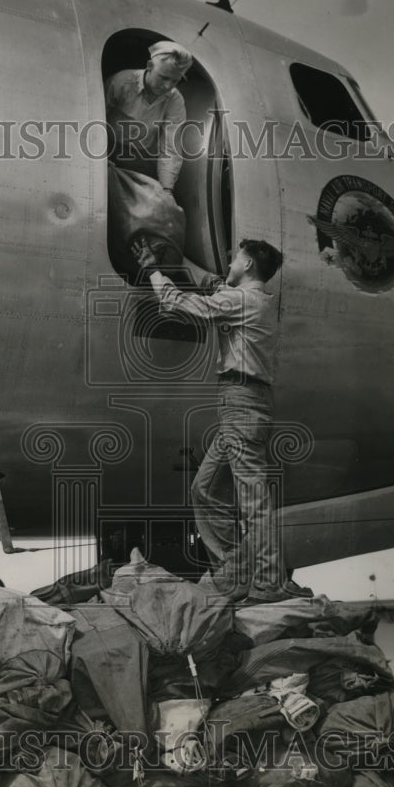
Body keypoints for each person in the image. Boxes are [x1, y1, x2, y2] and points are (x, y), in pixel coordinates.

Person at [131, 235, 313, 605]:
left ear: (247, 265)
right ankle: (238, 569)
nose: (228, 264)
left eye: (234, 260)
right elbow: (214, 283)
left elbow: (177, 302)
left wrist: (152, 269)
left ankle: (268, 583)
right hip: (243, 405)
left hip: (241, 404)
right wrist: (178, 258)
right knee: (205, 490)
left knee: (253, 500)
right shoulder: (251, 299)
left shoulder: (241, 300)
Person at [104, 41, 193, 194]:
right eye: (163, 77)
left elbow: (171, 148)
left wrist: (166, 189)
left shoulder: (175, 100)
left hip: (139, 159)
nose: (167, 86)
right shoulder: (121, 82)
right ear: (150, 66)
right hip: (106, 149)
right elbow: (94, 121)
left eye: (175, 81)